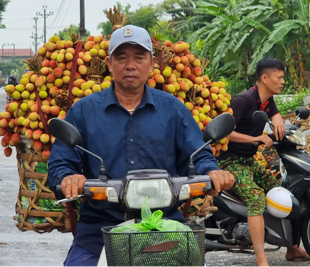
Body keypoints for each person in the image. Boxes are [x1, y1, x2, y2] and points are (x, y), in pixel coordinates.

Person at [47, 25, 235, 267]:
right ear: (109, 63)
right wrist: (69, 177)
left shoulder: (173, 109)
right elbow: (61, 162)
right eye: (121, 57)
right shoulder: (84, 111)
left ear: (152, 62)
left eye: (139, 57)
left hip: (166, 225)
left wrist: (211, 171)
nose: (130, 65)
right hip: (100, 228)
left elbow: (197, 155)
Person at [216, 57, 309, 266]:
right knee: (257, 198)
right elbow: (223, 133)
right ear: (265, 78)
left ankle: (291, 249)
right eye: (280, 77)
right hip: (229, 162)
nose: (283, 81)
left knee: (282, 193)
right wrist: (254, 138)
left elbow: (272, 111)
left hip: (248, 160)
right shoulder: (243, 100)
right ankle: (261, 257)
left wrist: (276, 117)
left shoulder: (266, 100)